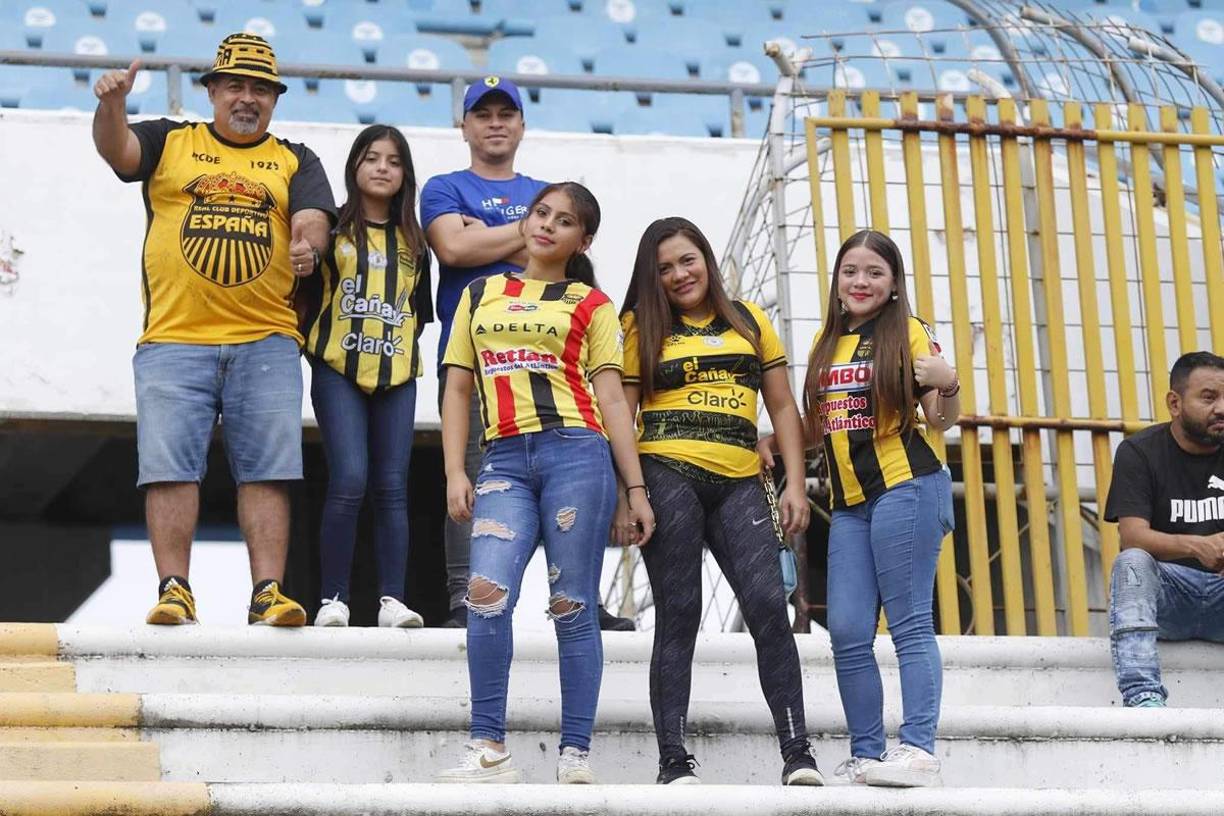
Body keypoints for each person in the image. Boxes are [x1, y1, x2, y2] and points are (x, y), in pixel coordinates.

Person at [92, 33, 335, 626]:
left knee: (269, 470)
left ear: (274, 99)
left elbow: (313, 218)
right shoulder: (171, 139)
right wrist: (111, 105)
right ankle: (174, 588)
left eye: (260, 89)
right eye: (235, 86)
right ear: (212, 91)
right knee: (169, 468)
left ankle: (267, 593)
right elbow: (118, 152)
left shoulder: (295, 158)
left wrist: (307, 245)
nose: (247, 98)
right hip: (175, 338)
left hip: (267, 338)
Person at [435, 182, 654, 785]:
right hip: (502, 458)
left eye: (565, 221)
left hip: (577, 456)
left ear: (583, 239)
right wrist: (456, 470)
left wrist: (633, 490)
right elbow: (456, 386)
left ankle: (576, 753)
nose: (548, 226)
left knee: (572, 604)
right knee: (485, 594)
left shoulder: (592, 303)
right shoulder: (480, 292)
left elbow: (611, 396)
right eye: (541, 213)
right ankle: (488, 748)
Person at [421, 76, 633, 632]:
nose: (495, 122)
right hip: (479, 362)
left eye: (505, 113)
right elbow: (453, 246)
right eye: (482, 113)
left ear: (521, 125)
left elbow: (558, 256)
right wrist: (527, 230)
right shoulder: (444, 186)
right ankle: (462, 597)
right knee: (469, 479)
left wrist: (487, 233)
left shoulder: (547, 190)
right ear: (463, 125)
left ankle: (582, 593)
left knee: (569, 482)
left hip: (554, 364)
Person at [618, 217, 823, 786]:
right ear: (650, 278)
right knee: (679, 612)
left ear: (706, 259)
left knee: (768, 609)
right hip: (666, 472)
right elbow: (622, 416)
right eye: (664, 268)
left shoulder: (750, 319)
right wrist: (628, 493)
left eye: (688, 260)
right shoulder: (638, 326)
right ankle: (673, 760)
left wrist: (795, 482)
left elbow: (782, 408)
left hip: (740, 481)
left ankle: (798, 754)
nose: (680, 274)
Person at [766, 229, 958, 787]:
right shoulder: (828, 342)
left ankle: (919, 748)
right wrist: (772, 445)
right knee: (847, 630)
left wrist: (949, 385)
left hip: (908, 487)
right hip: (849, 504)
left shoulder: (911, 332)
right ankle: (867, 753)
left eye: (875, 272)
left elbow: (942, 420)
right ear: (837, 281)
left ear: (894, 284)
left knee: (909, 623)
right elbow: (820, 426)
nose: (861, 282)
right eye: (851, 271)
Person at [301, 125, 432, 628]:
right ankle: (333, 598)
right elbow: (308, 296)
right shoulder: (330, 231)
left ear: (405, 175)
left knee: (393, 487)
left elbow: (418, 313)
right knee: (349, 478)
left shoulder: (417, 244)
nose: (382, 168)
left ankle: (392, 601)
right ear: (355, 166)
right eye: (372, 157)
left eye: (394, 161)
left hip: (398, 376)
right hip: (337, 369)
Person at [1105, 351, 1224, 708]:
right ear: (1175, 402)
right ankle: (1144, 699)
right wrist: (1196, 546)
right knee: (1132, 562)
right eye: (1209, 397)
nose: (1221, 407)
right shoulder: (1139, 452)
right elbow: (1132, 536)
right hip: (1168, 599)